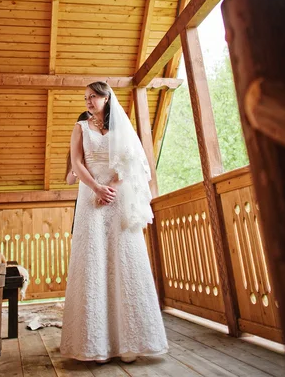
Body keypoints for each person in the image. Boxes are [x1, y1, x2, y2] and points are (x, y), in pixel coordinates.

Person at [60, 81, 168, 363]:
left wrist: (112, 190)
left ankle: (129, 343)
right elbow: (76, 163)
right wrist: (97, 189)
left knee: (124, 261)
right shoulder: (80, 128)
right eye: (85, 97)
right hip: (90, 197)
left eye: (93, 96)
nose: (88, 101)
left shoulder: (121, 127)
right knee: (93, 262)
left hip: (117, 198)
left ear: (107, 98)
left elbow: (129, 163)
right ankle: (95, 345)